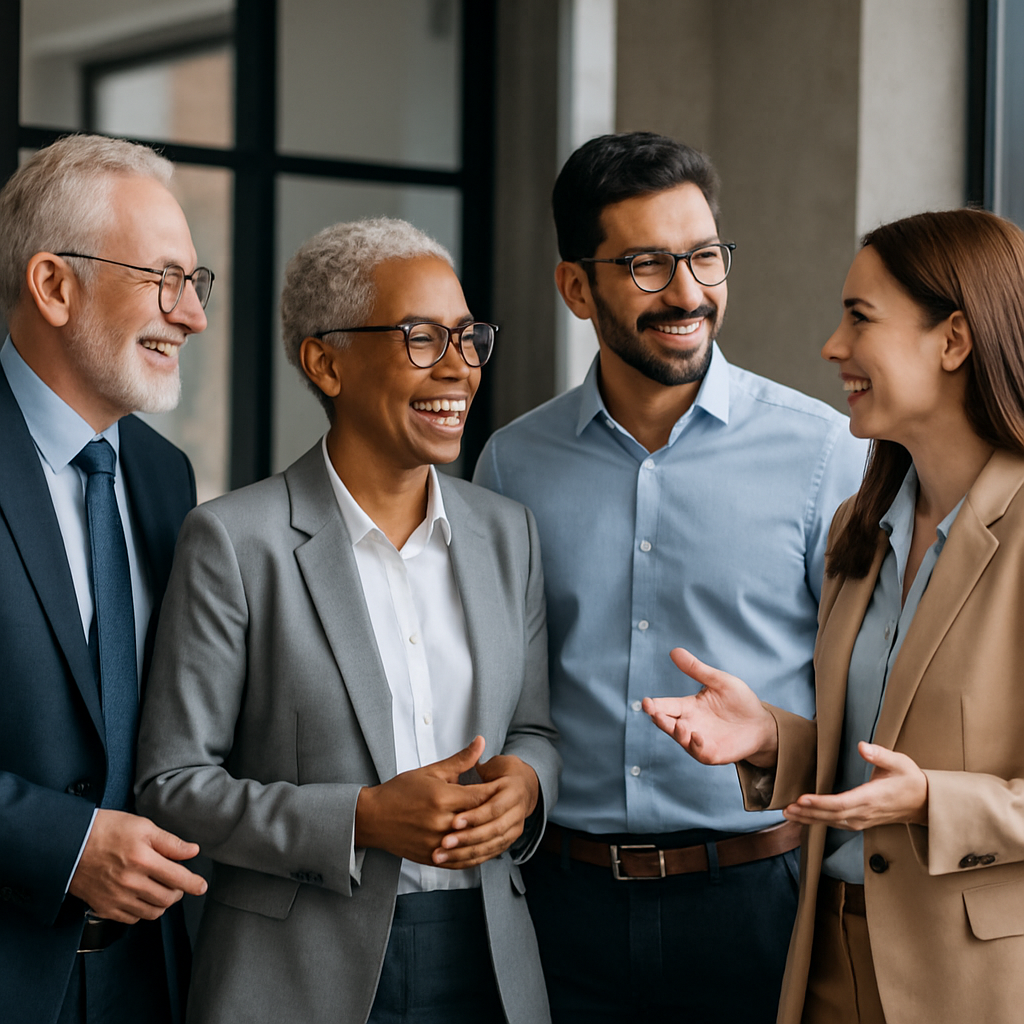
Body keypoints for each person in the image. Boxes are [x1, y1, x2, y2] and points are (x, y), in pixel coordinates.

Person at [472, 131, 867, 1023]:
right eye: (648, 265)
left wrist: (771, 734)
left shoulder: (824, 456)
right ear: (578, 286)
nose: (688, 293)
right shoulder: (511, 464)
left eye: (704, 257)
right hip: (559, 901)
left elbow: (870, 696)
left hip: (755, 903)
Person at [135, 217, 560, 1024]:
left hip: (490, 964)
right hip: (298, 975)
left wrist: (527, 784)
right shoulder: (234, 540)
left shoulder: (510, 533)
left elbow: (534, 727)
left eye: (469, 338)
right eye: (422, 338)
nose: (459, 368)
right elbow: (174, 787)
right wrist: (362, 818)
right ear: (326, 361)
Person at [645, 207, 1024, 1024]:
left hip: (975, 987)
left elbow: (920, 783)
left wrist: (931, 801)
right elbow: (881, 756)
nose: (832, 347)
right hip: (828, 962)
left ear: (954, 340)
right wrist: (774, 739)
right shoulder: (865, 521)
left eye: (860, 317)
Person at [0, 135, 212, 1024]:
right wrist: (63, 844)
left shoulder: (167, 477)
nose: (192, 315)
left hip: (150, 983)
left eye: (197, 283)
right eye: (165, 278)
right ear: (54, 285)